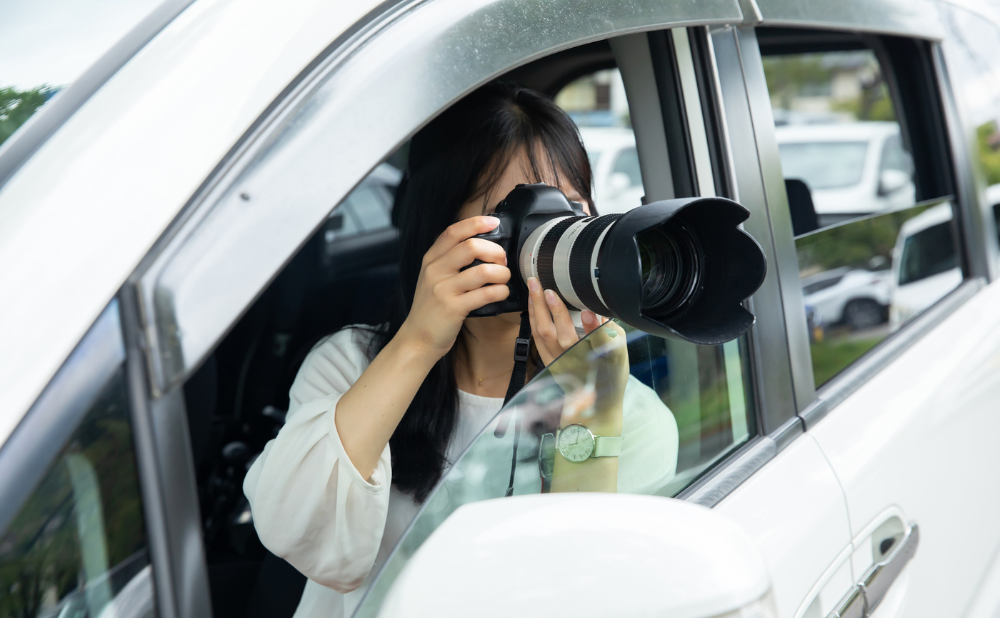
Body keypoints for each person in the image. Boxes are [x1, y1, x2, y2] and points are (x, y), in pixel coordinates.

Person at [243, 82, 678, 618]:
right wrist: (419, 341)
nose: (548, 233)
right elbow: (298, 534)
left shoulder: (628, 416)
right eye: (516, 213)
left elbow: (572, 593)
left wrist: (590, 409)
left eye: (568, 209)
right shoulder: (351, 362)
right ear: (439, 230)